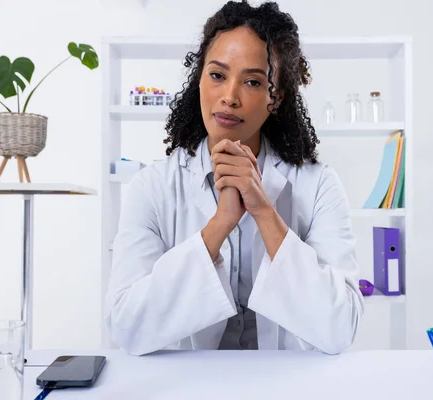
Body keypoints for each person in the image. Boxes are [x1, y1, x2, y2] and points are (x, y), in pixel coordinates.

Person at [105, 0, 364, 356]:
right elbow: (127, 327)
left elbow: (339, 328)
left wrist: (264, 212)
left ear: (276, 99)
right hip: (184, 385)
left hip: (288, 383)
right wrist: (220, 224)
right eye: (217, 75)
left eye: (253, 82)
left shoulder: (319, 186)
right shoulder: (151, 188)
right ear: (199, 80)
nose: (229, 97)